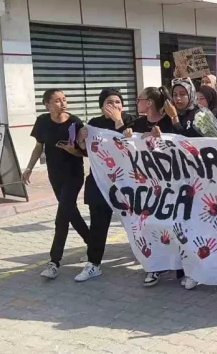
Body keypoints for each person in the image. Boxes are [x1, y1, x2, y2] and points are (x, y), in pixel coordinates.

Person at [23, 89, 89, 279]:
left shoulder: (74, 122)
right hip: (55, 175)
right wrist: (28, 168)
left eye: (64, 99)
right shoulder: (42, 121)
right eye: (58, 100)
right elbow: (38, 147)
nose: (63, 103)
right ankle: (93, 243)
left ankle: (54, 262)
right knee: (70, 212)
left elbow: (83, 152)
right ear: (48, 105)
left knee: (61, 218)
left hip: (74, 174)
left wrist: (72, 150)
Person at [120, 86, 180, 288]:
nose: (137, 102)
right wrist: (128, 136)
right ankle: (153, 267)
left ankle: (178, 265)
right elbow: (122, 145)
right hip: (144, 186)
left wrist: (162, 138)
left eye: (140, 99)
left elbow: (182, 146)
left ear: (150, 103)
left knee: (171, 225)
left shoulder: (168, 123)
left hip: (169, 185)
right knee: (147, 225)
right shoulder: (136, 124)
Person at [74, 88, 135, 282]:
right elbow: (87, 152)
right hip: (101, 182)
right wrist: (81, 140)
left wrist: (119, 122)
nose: (115, 106)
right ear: (102, 106)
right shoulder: (94, 124)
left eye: (118, 102)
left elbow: (133, 147)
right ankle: (93, 263)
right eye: (110, 102)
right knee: (98, 225)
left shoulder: (130, 120)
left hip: (127, 184)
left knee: (137, 224)